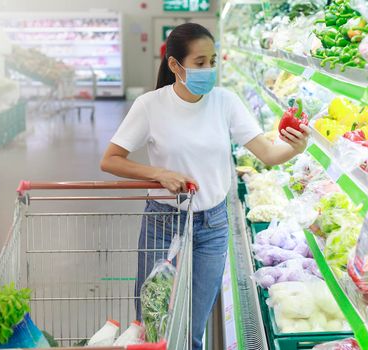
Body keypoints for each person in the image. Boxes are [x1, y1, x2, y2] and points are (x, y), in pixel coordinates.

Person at [100, 23, 310, 349]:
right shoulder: (150, 105)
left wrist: (295, 147)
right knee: (153, 322)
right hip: (163, 222)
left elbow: (268, 154)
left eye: (212, 61)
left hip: (212, 224)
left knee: (194, 327)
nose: (209, 70)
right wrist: (158, 173)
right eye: (200, 62)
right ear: (175, 65)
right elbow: (111, 160)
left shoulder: (226, 101)